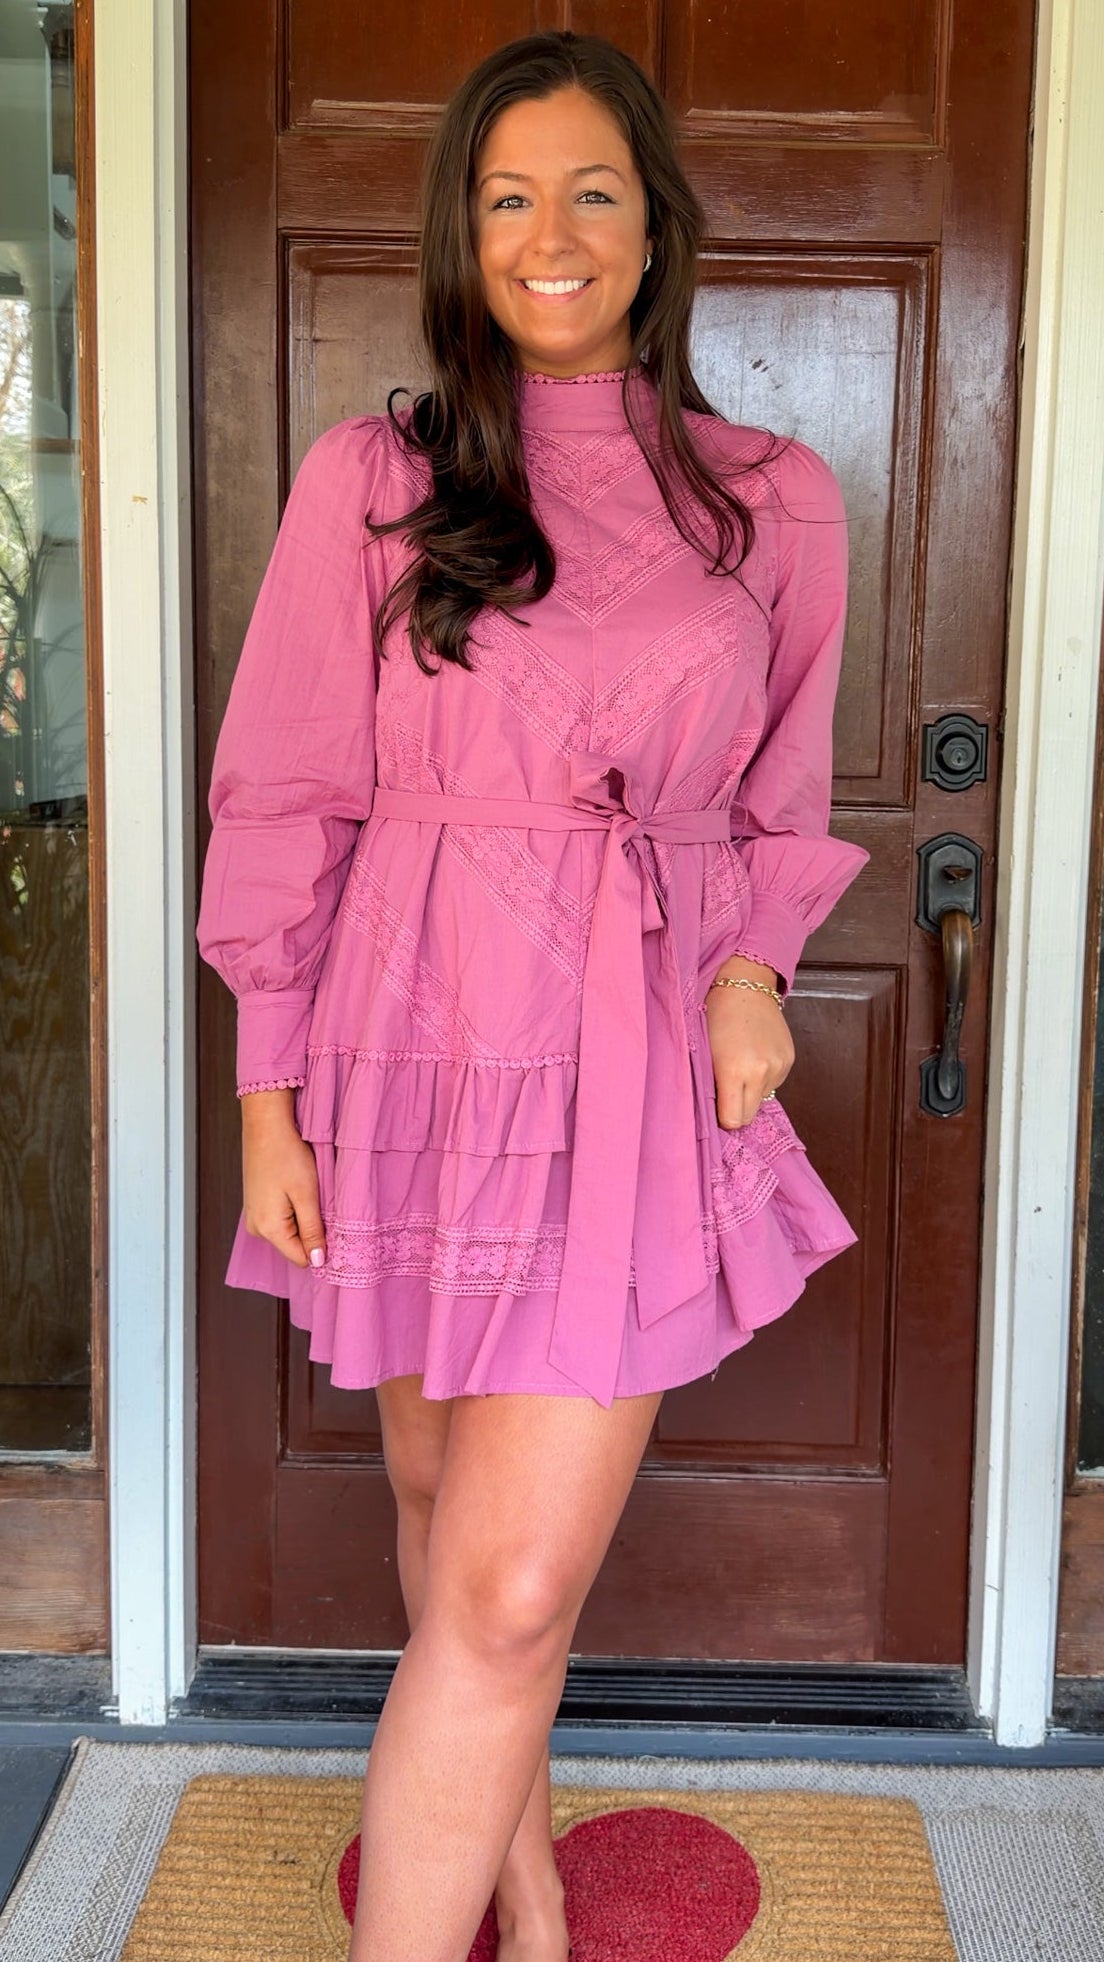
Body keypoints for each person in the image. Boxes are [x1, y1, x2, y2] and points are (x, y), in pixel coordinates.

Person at [196, 28, 869, 1962]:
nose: (551, 235)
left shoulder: (771, 501)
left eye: (593, 190)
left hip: (629, 1050)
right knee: (434, 1495)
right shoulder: (377, 477)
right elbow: (287, 791)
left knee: (498, 1584)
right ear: (460, 231)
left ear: (658, 227)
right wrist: (267, 1092)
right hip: (401, 1038)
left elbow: (779, 794)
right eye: (509, 196)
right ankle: (522, 1867)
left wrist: (752, 964)